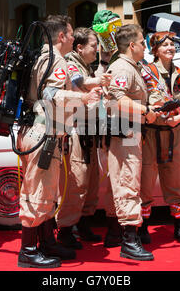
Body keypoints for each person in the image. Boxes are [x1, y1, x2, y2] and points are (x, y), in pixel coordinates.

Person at [16, 15, 102, 268]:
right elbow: (50, 94)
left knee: (48, 193)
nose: (74, 37)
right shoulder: (56, 60)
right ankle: (28, 250)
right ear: (62, 36)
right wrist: (84, 99)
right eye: (71, 33)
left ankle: (46, 242)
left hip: (41, 132)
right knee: (38, 193)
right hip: (43, 133)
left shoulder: (44, 57)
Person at [55, 27, 113, 249]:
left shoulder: (85, 64)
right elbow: (80, 82)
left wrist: (104, 64)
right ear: (80, 47)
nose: (97, 50)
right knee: (76, 182)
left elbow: (91, 78)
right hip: (76, 131)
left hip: (90, 131)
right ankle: (65, 230)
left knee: (90, 182)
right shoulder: (70, 62)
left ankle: (83, 224)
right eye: (94, 46)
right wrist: (101, 79)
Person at [107, 24, 160, 261]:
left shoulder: (132, 67)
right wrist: (145, 109)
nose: (145, 46)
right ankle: (129, 240)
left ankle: (129, 236)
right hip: (125, 131)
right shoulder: (122, 68)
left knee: (131, 182)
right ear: (132, 45)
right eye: (142, 42)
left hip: (132, 130)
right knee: (128, 183)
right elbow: (116, 100)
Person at [140, 31, 180, 244]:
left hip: (174, 132)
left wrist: (179, 118)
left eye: (172, 45)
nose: (170, 48)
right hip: (150, 132)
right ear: (155, 50)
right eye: (164, 45)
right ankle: (143, 227)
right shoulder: (145, 72)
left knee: (175, 179)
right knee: (145, 181)